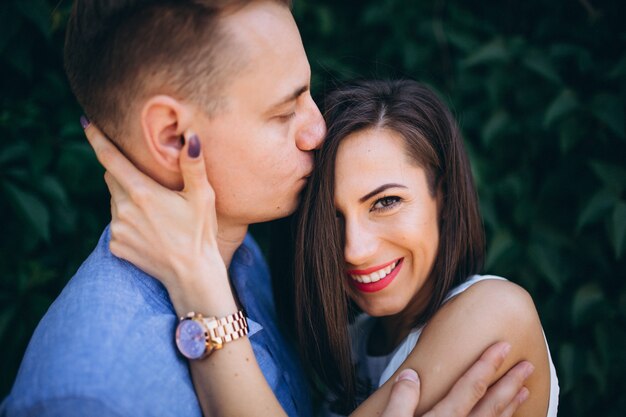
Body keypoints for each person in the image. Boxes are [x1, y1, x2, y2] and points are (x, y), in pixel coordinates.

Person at [1, 1, 532, 416]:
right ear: (173, 136)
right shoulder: (94, 393)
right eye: (284, 111)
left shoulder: (252, 261)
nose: (317, 129)